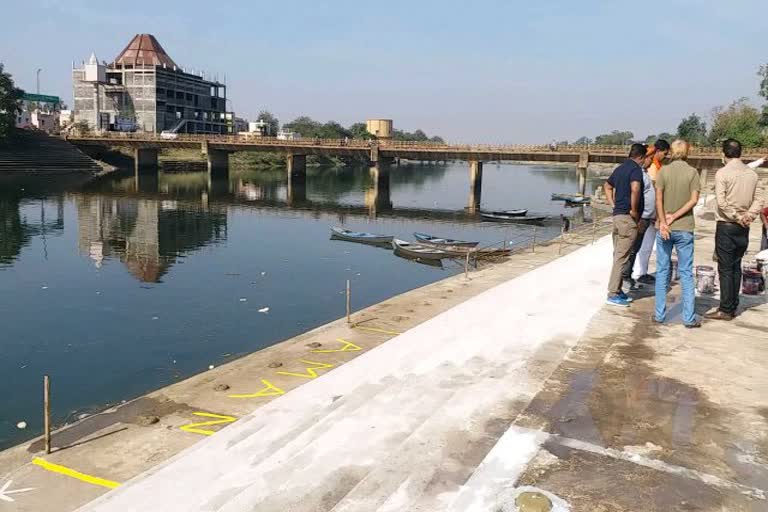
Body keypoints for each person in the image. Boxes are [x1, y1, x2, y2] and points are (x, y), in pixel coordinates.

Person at [704, 139, 765, 320]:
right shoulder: (751, 174)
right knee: (736, 266)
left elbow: (722, 203)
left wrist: (738, 216)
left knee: (725, 268)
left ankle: (725, 308)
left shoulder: (722, 173)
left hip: (727, 225)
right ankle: (733, 304)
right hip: (743, 227)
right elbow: (760, 199)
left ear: (724, 154)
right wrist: (749, 216)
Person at [654, 140, 701, 328]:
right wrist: (676, 216)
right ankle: (689, 318)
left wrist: (664, 221)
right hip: (685, 227)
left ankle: (659, 315)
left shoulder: (663, 171)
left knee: (662, 271)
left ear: (671, 152)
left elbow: (658, 199)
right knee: (686, 273)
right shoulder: (692, 172)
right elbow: (694, 200)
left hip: (665, 228)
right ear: (687, 151)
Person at [603, 143, 646, 307]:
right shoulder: (635, 169)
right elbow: (635, 189)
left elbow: (607, 186)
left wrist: (613, 205)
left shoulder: (620, 169)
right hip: (627, 219)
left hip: (617, 217)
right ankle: (613, 293)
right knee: (622, 258)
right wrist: (634, 210)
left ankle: (618, 290)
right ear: (640, 157)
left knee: (620, 255)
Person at [632, 139, 670, 282]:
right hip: (648, 214)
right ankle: (639, 272)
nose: (665, 157)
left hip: (651, 213)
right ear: (657, 152)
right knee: (644, 244)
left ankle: (641, 270)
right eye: (664, 154)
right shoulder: (653, 168)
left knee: (645, 244)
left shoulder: (657, 166)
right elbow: (654, 193)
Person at [622, 145, 658, 289]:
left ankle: (628, 275)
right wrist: (635, 212)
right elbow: (635, 192)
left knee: (636, 248)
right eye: (649, 158)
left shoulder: (644, 173)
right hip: (641, 217)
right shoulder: (637, 173)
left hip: (646, 217)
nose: (650, 161)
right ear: (643, 158)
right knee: (632, 248)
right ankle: (625, 277)